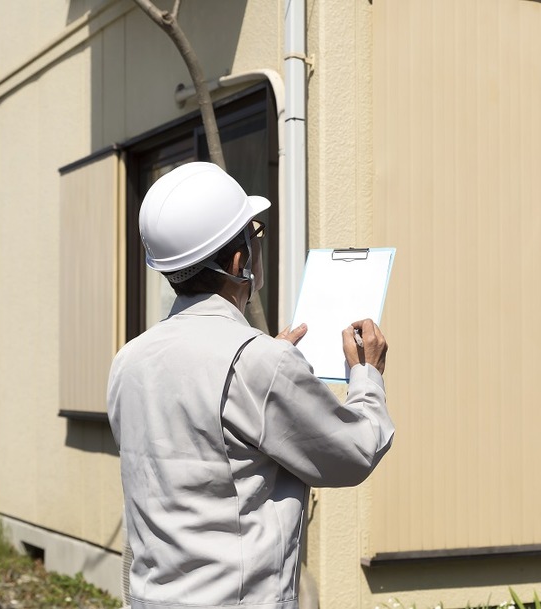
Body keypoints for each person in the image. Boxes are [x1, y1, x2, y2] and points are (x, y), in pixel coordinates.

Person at [107, 162, 394, 609]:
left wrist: (266, 363)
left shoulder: (129, 360)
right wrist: (367, 375)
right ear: (240, 260)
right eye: (254, 236)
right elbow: (353, 453)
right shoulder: (257, 363)